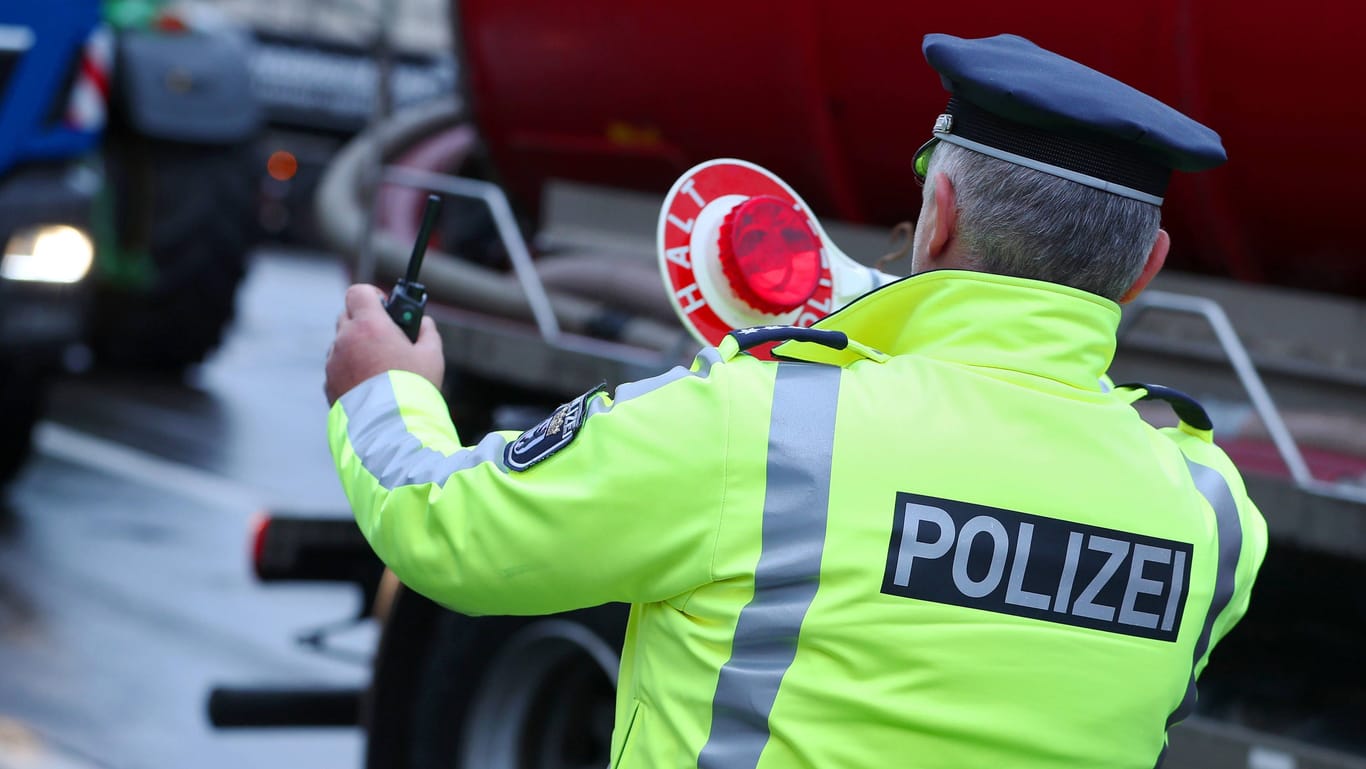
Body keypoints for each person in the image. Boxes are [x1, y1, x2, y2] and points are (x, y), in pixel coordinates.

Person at [324, 32, 1266, 769]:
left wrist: (384, 389)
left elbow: (450, 528)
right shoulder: (1212, 512)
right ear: (1146, 269)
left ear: (935, 217)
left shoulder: (767, 422)